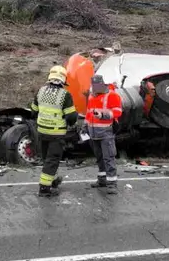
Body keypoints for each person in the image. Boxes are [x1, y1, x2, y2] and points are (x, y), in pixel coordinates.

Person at [30, 65, 78, 197]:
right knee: (53, 159)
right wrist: (72, 123)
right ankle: (44, 188)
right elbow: (71, 117)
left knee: (47, 159)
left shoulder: (40, 91)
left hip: (41, 132)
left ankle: (54, 180)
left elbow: (33, 111)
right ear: (63, 79)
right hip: (56, 134)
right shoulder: (65, 95)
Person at [85, 75, 123, 194]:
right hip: (94, 132)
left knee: (108, 158)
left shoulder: (112, 95)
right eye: (93, 86)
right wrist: (84, 126)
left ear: (102, 84)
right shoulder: (92, 95)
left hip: (106, 132)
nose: (95, 88)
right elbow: (89, 112)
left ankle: (112, 184)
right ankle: (102, 180)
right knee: (99, 158)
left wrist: (103, 114)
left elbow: (118, 111)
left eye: (97, 85)